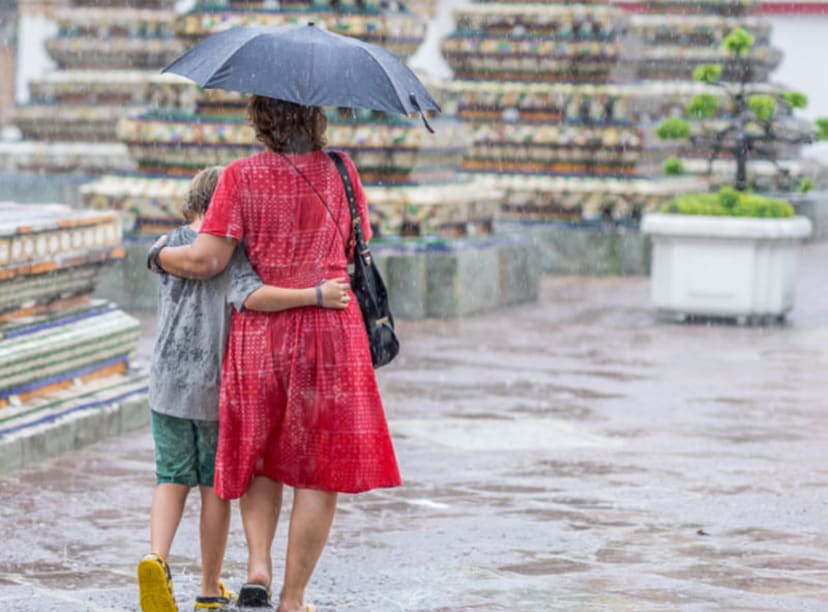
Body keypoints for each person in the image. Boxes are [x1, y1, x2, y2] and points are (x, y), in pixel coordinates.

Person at [152, 96, 401, 612]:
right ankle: (292, 598)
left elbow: (208, 259)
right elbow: (356, 247)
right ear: (316, 116)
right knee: (317, 470)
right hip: (329, 332)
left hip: (260, 335)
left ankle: (258, 569)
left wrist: (156, 253)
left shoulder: (240, 177)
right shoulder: (341, 170)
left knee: (261, 453)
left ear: (260, 118)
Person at [139, 165, 352, 612]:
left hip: (166, 387)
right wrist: (314, 294)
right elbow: (252, 296)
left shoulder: (169, 243)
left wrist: (156, 250)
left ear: (193, 201)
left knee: (170, 479)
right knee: (215, 490)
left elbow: (169, 268)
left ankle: (155, 557)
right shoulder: (232, 252)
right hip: (215, 389)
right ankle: (209, 588)